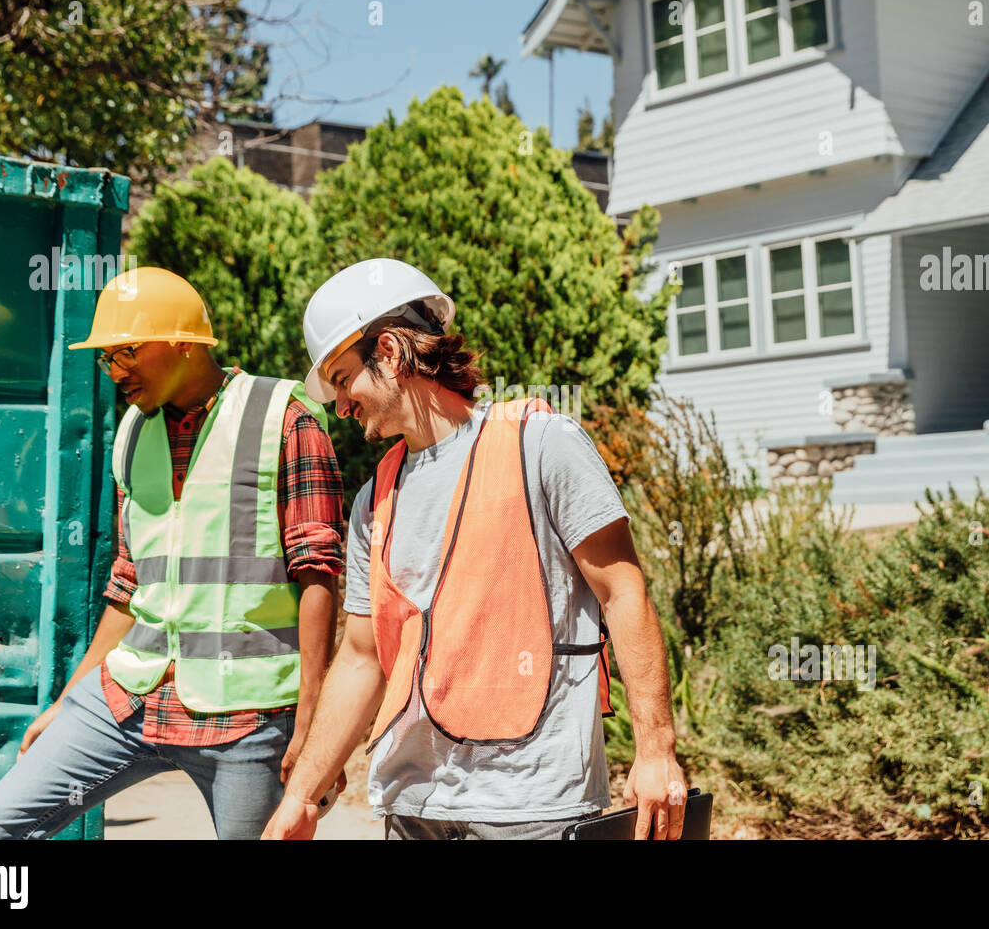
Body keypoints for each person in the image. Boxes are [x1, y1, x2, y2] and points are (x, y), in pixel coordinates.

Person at [263, 258, 687, 841]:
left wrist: (656, 751)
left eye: (342, 379)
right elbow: (362, 657)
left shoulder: (541, 445)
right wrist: (302, 796)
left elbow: (623, 590)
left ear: (388, 352)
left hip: (533, 808)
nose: (340, 405)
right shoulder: (373, 500)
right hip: (414, 809)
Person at [0, 266, 346, 840]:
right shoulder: (132, 433)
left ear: (181, 343)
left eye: (126, 353)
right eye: (106, 359)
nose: (115, 372)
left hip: (248, 717)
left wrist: (313, 725)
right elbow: (128, 584)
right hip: (129, 698)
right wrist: (67, 703)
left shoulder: (284, 421)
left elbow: (319, 576)